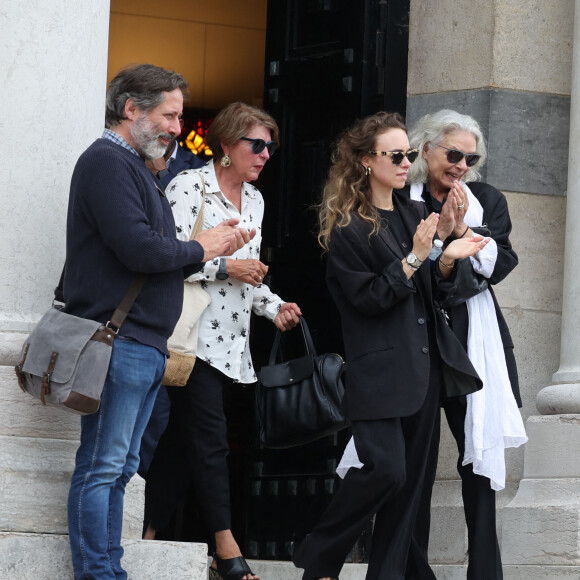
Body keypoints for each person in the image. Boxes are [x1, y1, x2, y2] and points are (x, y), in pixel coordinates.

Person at [64, 64, 253, 580]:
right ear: (132, 110)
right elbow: (138, 249)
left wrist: (210, 250)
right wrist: (204, 245)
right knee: (103, 467)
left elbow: (159, 255)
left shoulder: (138, 170)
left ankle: (108, 569)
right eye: (170, 115)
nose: (176, 127)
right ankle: (99, 574)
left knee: (121, 468)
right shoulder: (107, 162)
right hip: (118, 340)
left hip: (144, 345)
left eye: (178, 116)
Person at [291, 111, 490, 580]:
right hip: (378, 373)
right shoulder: (347, 229)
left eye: (408, 154)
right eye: (395, 155)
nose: (407, 163)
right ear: (365, 161)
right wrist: (419, 256)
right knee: (387, 472)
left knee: (410, 494)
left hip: (424, 370)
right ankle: (318, 552)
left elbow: (436, 292)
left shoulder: (415, 214)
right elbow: (368, 299)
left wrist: (446, 257)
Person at [143, 102, 302, 580]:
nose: (266, 154)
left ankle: (146, 535)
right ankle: (226, 549)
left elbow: (246, 277)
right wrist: (226, 266)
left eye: (270, 146)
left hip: (233, 344)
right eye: (257, 145)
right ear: (228, 146)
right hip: (190, 337)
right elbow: (166, 255)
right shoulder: (189, 186)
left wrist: (276, 308)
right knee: (210, 443)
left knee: (180, 443)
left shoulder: (253, 200)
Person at [400, 109, 527, 580]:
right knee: (413, 461)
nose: (461, 166)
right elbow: (399, 268)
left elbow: (501, 262)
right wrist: (445, 254)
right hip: (412, 336)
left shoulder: (486, 201)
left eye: (470, 159)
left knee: (480, 458)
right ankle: (412, 570)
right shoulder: (399, 198)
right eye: (453, 154)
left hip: (472, 338)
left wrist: (457, 237)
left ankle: (485, 574)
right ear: (426, 148)